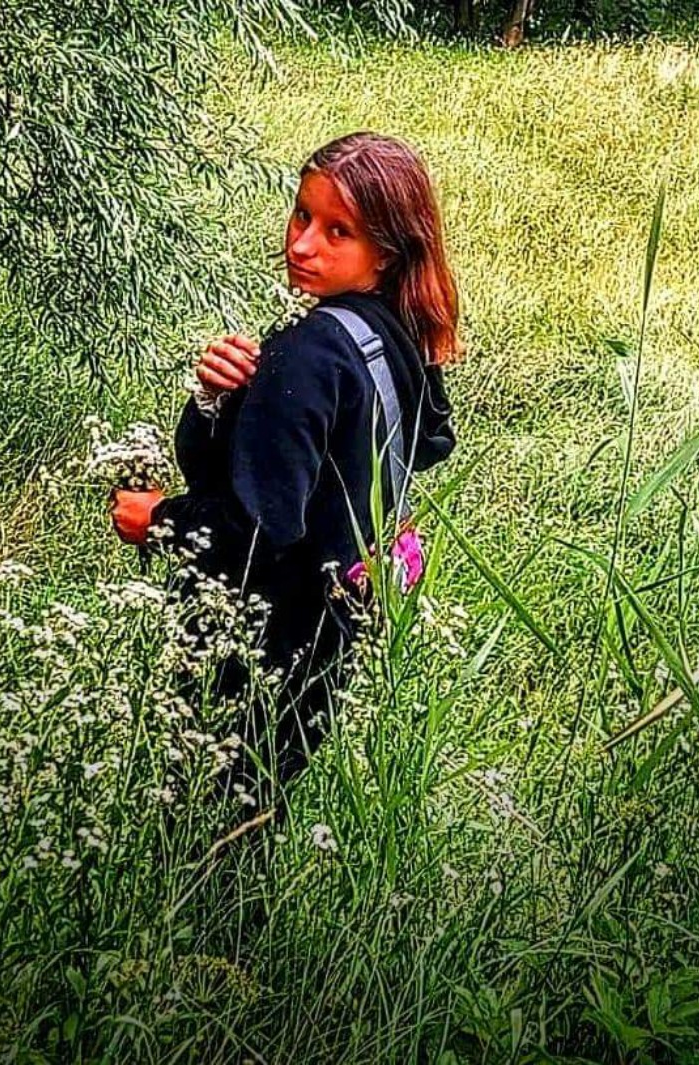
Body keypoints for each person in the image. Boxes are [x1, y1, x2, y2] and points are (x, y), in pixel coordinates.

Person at [111, 131, 460, 833]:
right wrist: (219, 399)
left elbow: (258, 528)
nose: (302, 245)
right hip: (340, 623)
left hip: (263, 628)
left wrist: (158, 521)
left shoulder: (304, 353)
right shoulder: (398, 333)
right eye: (302, 214)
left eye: (338, 231)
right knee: (258, 805)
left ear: (386, 251)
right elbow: (426, 442)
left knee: (203, 819)